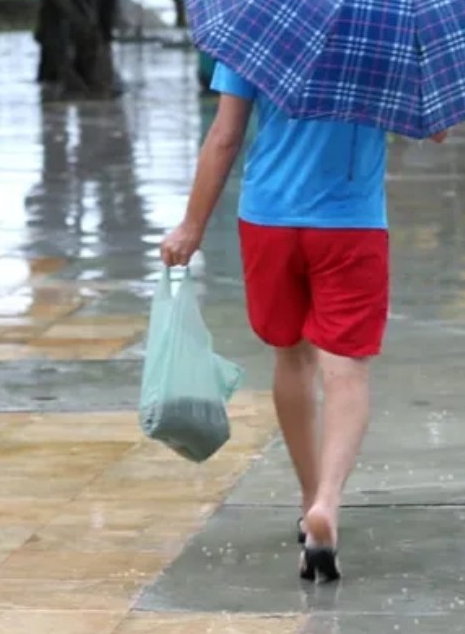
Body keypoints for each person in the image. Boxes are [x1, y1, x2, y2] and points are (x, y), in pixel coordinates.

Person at [159, 60, 446, 584]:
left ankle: (307, 493)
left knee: (291, 355)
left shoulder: (260, 25)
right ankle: (328, 506)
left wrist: (192, 226)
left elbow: (225, 136)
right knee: (347, 370)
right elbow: (435, 127)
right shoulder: (385, 30)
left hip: (269, 217)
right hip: (350, 224)